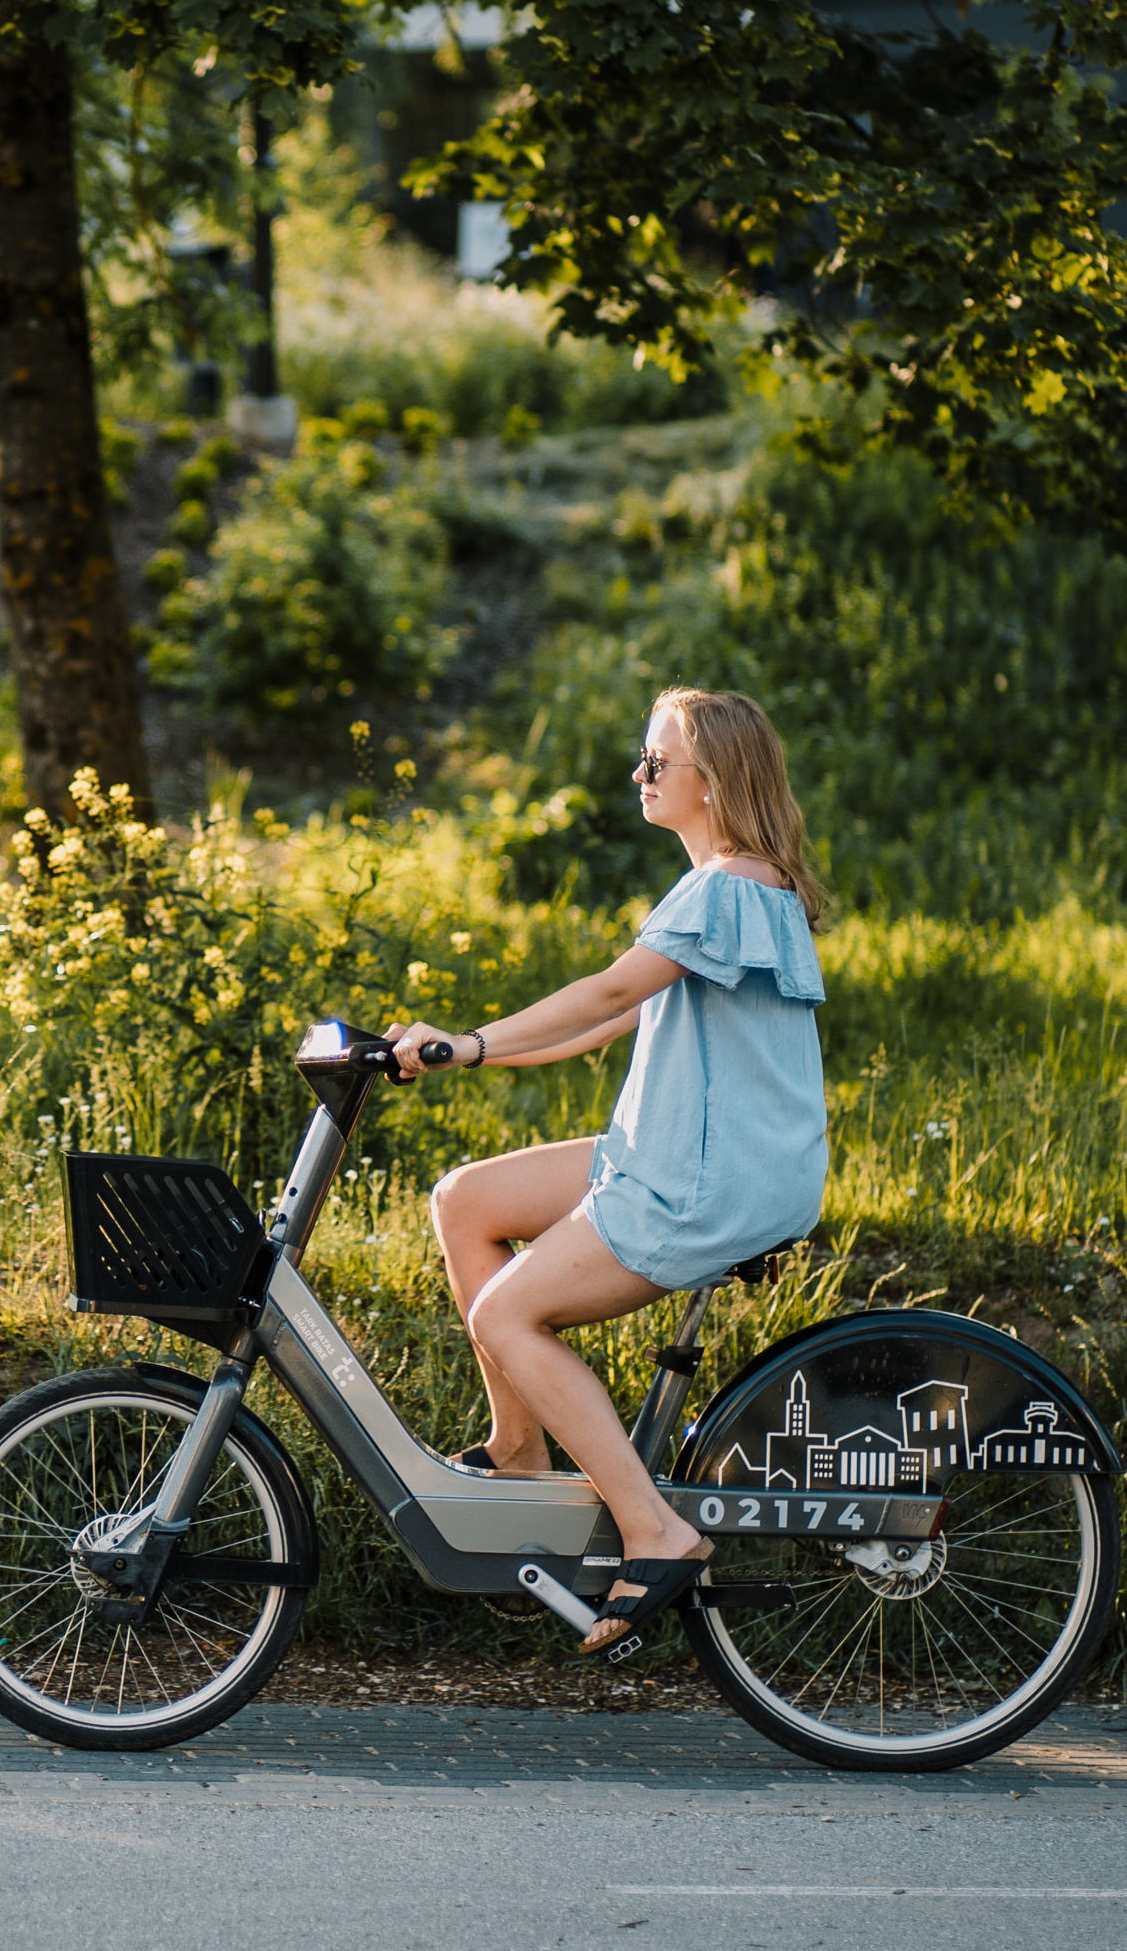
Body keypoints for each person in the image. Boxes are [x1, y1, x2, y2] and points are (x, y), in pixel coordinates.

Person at [388, 687, 828, 1654]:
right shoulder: (735, 887)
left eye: (655, 762)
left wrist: (463, 1043)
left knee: (504, 1311)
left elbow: (609, 987)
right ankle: (518, 1450)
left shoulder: (728, 889)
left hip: (705, 1175)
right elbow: (606, 1022)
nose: (641, 775)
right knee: (466, 1200)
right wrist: (446, 1056)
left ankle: (655, 1529)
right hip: (685, 1147)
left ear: (713, 779)